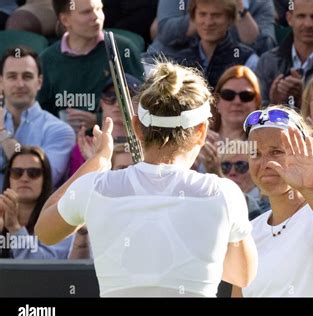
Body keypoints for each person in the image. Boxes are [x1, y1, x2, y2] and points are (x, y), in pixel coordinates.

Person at [35, 61, 258, 297]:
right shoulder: (224, 193)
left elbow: (44, 231)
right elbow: (242, 275)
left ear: (137, 128)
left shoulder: (95, 187)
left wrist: (97, 162)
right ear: (201, 131)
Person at [231, 105, 313, 297]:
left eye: (276, 151)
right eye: (256, 154)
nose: (266, 163)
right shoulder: (250, 231)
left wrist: (312, 191)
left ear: (304, 153)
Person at [37, 0, 143, 125]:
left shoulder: (122, 50)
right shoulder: (48, 59)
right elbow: (39, 110)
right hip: (62, 139)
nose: (96, 17)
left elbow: (142, 103)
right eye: (86, 12)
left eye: (99, 9)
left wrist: (98, 120)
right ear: (65, 20)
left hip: (115, 139)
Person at [0, 46, 75, 188]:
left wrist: (2, 133)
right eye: (12, 76)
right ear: (1, 82)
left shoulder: (60, 131)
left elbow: (45, 179)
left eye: (27, 76)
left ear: (39, 82)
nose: (20, 84)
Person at [155, 0, 258, 89]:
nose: (208, 22)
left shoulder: (247, 61)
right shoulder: (179, 62)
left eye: (216, 15)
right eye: (202, 14)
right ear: (193, 18)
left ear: (230, 19)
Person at [0, 146, 73, 259]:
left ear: (45, 179)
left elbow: (44, 267)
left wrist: (15, 228)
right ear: (9, 178)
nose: (24, 178)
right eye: (17, 172)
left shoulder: (60, 216)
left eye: (33, 173)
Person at [69, 73, 142, 176]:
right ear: (101, 103)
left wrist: (96, 162)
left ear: (139, 106)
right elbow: (75, 189)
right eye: (110, 95)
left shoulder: (146, 151)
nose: (117, 104)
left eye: (127, 97)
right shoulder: (83, 148)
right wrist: (91, 164)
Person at [148, 0, 276, 56]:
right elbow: (165, 32)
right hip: (170, 61)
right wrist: (203, 9)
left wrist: (240, 10)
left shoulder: (261, 2)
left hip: (233, 70)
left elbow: (265, 48)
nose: (209, 23)